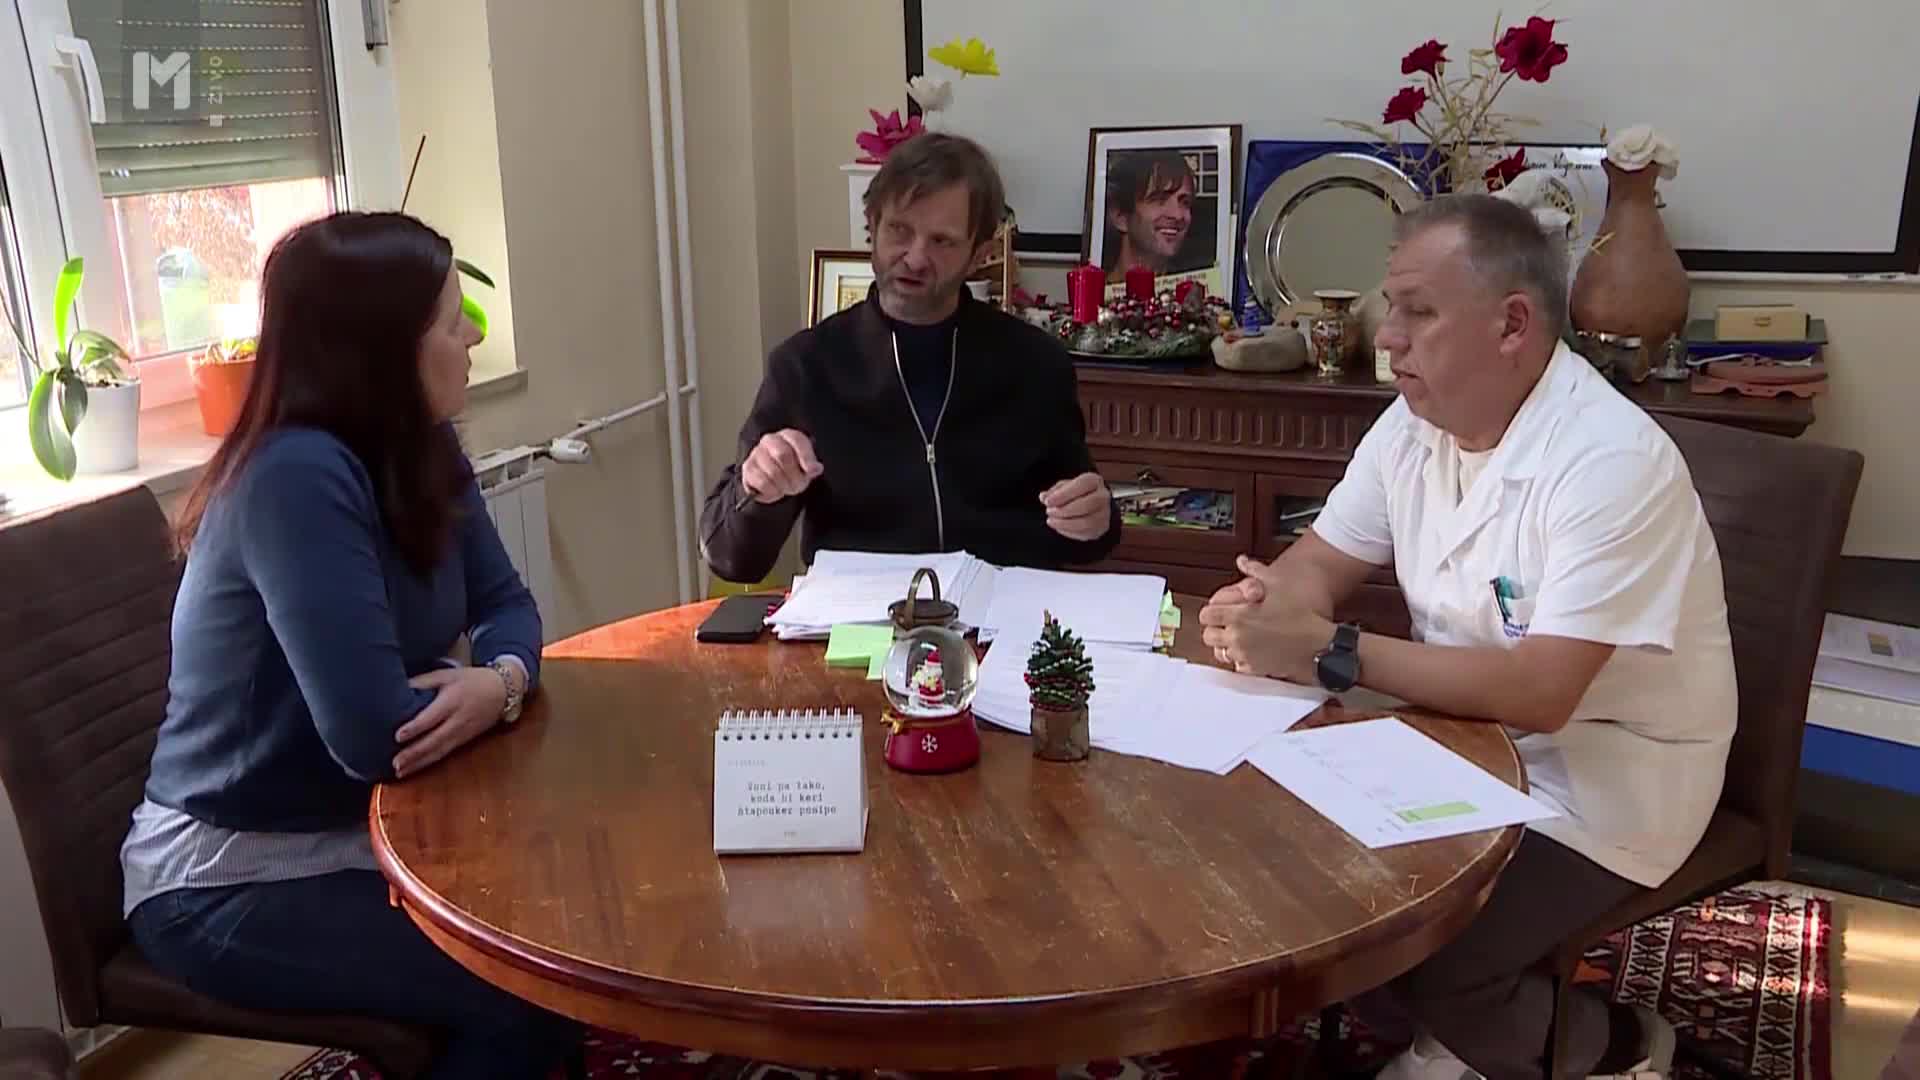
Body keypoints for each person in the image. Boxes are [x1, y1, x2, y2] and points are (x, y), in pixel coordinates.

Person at [1199, 195, 1736, 1080]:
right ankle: (1443, 1029)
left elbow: (1542, 693)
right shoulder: (1417, 420)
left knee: (1430, 955)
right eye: (1391, 308)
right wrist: (1264, 607)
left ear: (1512, 324)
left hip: (1607, 771)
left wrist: (1329, 649)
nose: (1387, 339)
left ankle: (1622, 1044)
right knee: (1307, 889)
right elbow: (1322, 559)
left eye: (1418, 312)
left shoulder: (1608, 462)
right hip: (1458, 736)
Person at [121, 212, 577, 1079]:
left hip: (358, 823)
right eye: (453, 322)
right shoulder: (294, 477)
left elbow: (508, 604)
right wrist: (480, 682)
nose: (474, 339)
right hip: (226, 874)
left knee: (562, 916)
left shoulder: (421, 443)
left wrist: (502, 682)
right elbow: (378, 737)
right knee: (525, 984)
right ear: (384, 352)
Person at [699, 133, 1120, 584]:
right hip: (862, 619)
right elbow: (730, 558)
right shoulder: (805, 366)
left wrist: (1097, 519)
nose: (916, 258)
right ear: (873, 226)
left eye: (942, 241)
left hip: (1004, 613)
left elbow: (1086, 528)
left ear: (979, 254)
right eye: (899, 230)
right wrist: (756, 489)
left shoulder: (1036, 364)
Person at [1101, 148, 1196, 276]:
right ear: (1120, 216)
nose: (1178, 215)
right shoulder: (1094, 287)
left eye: (1185, 202)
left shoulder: (1200, 286)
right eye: (1160, 199)